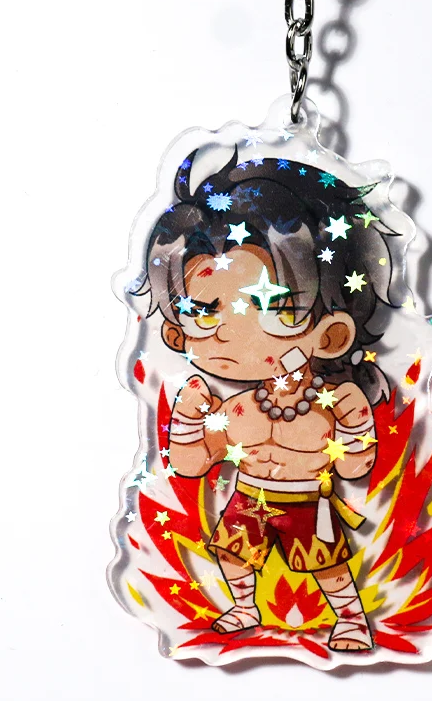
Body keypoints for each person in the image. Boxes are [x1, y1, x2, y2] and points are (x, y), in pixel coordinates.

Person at [133, 150, 401, 651]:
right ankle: (243, 606)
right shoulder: (237, 410)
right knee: (232, 555)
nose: (228, 332)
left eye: (273, 307)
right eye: (203, 312)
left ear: (331, 334)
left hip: (306, 502)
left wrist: (354, 425)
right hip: (247, 498)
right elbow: (190, 466)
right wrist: (188, 421)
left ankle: (349, 617)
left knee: (327, 564)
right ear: (176, 331)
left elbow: (354, 467)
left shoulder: (327, 405)